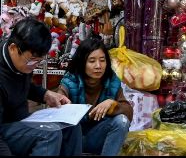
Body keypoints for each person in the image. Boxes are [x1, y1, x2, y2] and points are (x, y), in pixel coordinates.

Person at [0, 17, 81, 156]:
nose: (35, 66)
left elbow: (23, 86)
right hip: (4, 131)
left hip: (21, 121)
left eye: (39, 61)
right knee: (49, 134)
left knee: (71, 125)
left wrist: (46, 94)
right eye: (32, 60)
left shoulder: (21, 62)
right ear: (13, 48)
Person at [57, 36, 132, 156]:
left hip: (97, 137)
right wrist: (66, 107)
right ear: (82, 62)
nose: (98, 66)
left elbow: (128, 111)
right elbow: (58, 104)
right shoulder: (70, 81)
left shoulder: (112, 81)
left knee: (121, 121)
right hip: (73, 140)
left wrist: (113, 104)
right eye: (92, 61)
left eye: (102, 60)